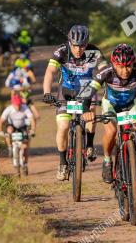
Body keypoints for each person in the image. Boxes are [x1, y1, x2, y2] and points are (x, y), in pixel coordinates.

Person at [82, 44, 136, 198]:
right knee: (111, 130)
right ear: (113, 63)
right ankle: (108, 161)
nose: (125, 70)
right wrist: (85, 111)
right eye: (120, 66)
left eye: (128, 66)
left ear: (133, 63)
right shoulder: (106, 73)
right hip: (110, 105)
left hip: (130, 106)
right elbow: (89, 91)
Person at [42, 24, 106, 181]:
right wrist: (46, 92)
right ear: (69, 42)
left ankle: (89, 145)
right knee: (63, 126)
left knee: (91, 112)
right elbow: (50, 71)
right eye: (75, 45)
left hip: (87, 89)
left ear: (87, 43)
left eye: (82, 45)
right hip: (66, 91)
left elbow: (105, 70)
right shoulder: (62, 51)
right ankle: (63, 163)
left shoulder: (94, 52)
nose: (78, 49)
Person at [0, 93, 36, 174]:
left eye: (19, 105)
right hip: (12, 126)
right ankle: (10, 147)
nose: (18, 107)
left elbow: (32, 119)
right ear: (13, 104)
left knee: (25, 146)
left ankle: (25, 164)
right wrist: (0, 131)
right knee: (8, 131)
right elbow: (1, 121)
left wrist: (32, 130)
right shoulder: (9, 109)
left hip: (23, 126)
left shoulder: (25, 108)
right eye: (16, 105)